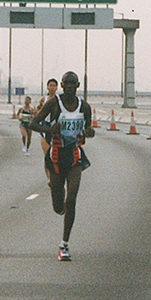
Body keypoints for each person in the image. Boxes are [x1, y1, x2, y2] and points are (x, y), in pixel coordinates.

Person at [29, 72, 94, 261]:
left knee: (72, 200)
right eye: (67, 84)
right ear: (62, 85)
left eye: (74, 84)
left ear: (78, 85)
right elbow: (33, 123)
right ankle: (60, 205)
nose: (70, 88)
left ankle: (64, 245)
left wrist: (89, 132)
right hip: (55, 157)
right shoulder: (53, 103)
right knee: (59, 206)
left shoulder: (85, 107)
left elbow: (87, 131)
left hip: (74, 157)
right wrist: (49, 129)